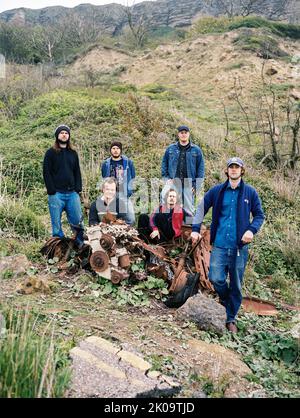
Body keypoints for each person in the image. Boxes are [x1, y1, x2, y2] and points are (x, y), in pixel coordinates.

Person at [191, 157, 265, 333]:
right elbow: (202, 207)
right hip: (220, 244)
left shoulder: (250, 193)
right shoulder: (217, 191)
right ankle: (225, 300)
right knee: (215, 277)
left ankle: (230, 318)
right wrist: (195, 228)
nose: (233, 170)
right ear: (227, 171)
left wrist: (251, 230)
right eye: (231, 167)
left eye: (236, 167)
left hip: (239, 247)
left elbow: (259, 216)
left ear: (242, 171)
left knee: (237, 283)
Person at [43, 124, 84, 247]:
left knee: (77, 222)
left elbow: (77, 171)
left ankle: (80, 246)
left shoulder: (73, 153)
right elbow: (46, 172)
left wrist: (78, 189)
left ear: (69, 136)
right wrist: (51, 191)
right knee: (56, 225)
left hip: (72, 194)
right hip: (56, 195)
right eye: (62, 133)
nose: (64, 135)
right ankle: (58, 249)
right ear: (57, 136)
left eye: (66, 133)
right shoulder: (50, 153)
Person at [161, 125, 205, 221]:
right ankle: (166, 225)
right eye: (181, 133)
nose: (184, 134)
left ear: (189, 134)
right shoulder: (171, 149)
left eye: (186, 133)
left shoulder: (196, 150)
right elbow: (164, 164)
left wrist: (196, 186)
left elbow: (201, 169)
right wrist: (166, 178)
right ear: (178, 134)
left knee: (188, 209)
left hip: (189, 183)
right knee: (166, 200)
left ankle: (187, 231)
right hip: (174, 182)